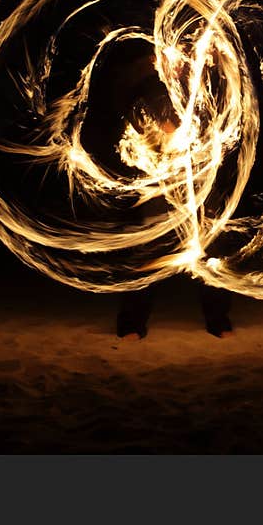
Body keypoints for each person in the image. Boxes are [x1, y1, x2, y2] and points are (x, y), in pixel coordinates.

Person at [101, 48, 234, 340]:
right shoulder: (146, 86)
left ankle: (218, 320)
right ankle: (132, 322)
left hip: (196, 182)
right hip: (160, 185)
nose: (178, 60)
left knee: (207, 249)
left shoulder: (198, 83)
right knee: (149, 253)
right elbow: (141, 110)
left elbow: (215, 117)